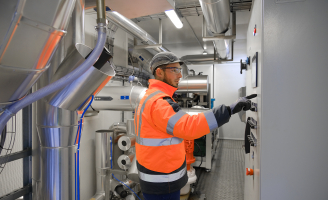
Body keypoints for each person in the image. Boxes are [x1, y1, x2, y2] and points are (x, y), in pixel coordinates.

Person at [134, 52, 256, 200]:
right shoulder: (159, 102)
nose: (180, 75)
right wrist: (229, 110)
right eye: (175, 70)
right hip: (162, 179)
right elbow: (189, 127)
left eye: (180, 70)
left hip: (156, 174)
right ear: (159, 72)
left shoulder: (150, 96)